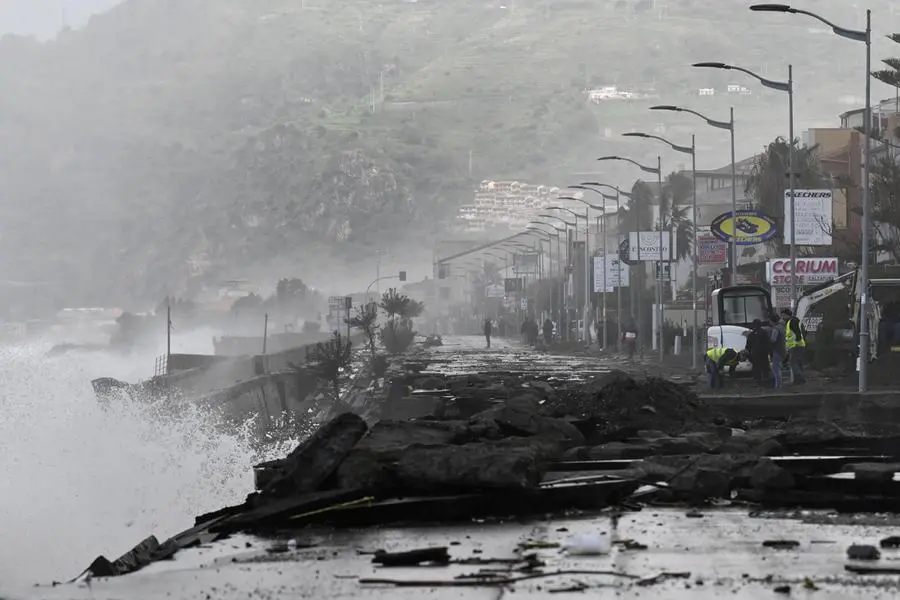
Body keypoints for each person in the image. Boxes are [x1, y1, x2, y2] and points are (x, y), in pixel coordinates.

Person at [781, 308, 806, 385]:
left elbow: (797, 333)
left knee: (793, 362)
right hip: (799, 345)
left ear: (787, 315)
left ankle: (800, 379)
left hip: (795, 346)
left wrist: (796, 343)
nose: (782, 317)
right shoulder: (795, 321)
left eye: (783, 315)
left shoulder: (792, 322)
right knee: (798, 362)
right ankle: (800, 379)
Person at [745, 319, 770, 384]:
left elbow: (748, 345)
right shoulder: (764, 332)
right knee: (765, 366)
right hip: (763, 353)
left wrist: (749, 353)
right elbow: (767, 343)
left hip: (754, 353)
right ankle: (766, 380)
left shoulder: (751, 334)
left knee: (756, 367)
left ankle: (757, 381)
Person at [768, 313, 786, 389]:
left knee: (775, 368)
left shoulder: (775, 328)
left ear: (772, 321)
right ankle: (779, 384)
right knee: (778, 367)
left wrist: (768, 339)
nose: (769, 322)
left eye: (770, 320)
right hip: (782, 349)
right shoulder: (782, 327)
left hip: (777, 350)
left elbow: (773, 339)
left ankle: (778, 385)